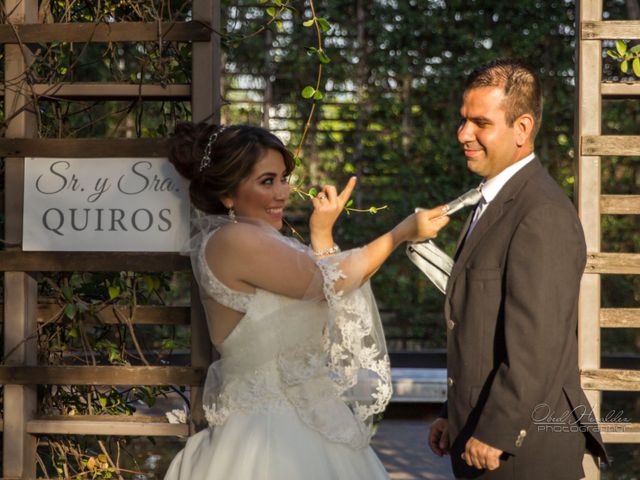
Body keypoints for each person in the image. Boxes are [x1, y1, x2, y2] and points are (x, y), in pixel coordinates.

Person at [163, 122, 450, 479]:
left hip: (313, 420)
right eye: (267, 181)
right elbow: (329, 281)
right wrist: (399, 233)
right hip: (266, 436)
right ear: (228, 195)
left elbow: (327, 294)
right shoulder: (232, 240)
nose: (283, 192)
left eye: (284, 178)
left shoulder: (271, 241)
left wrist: (321, 233)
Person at [427, 59, 607, 479]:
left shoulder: (541, 214)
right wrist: (453, 412)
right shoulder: (492, 203)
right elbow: (481, 329)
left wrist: (496, 430)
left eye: (480, 123)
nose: (463, 135)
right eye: (463, 120)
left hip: (523, 453)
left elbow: (537, 344)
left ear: (522, 129)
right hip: (479, 433)